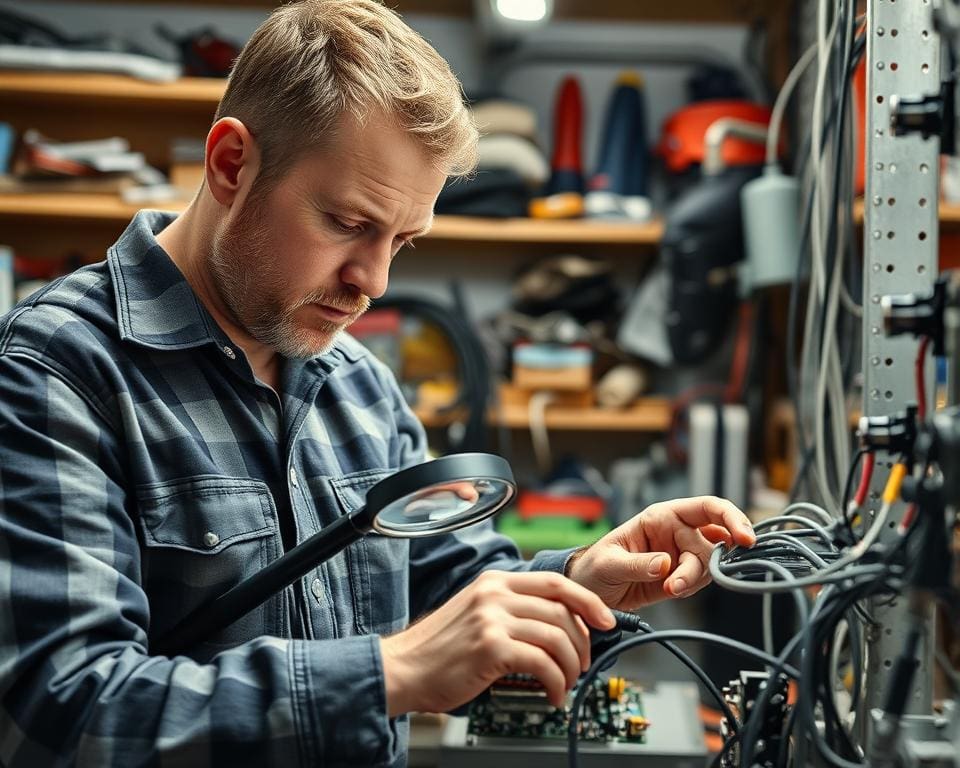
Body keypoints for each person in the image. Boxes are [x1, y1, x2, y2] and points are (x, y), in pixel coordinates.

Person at [0, 1, 756, 765]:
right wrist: (387, 673)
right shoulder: (59, 368)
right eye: (349, 223)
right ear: (232, 165)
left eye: (404, 240)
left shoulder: (357, 380)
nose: (375, 281)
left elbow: (441, 583)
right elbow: (61, 707)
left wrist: (577, 579)